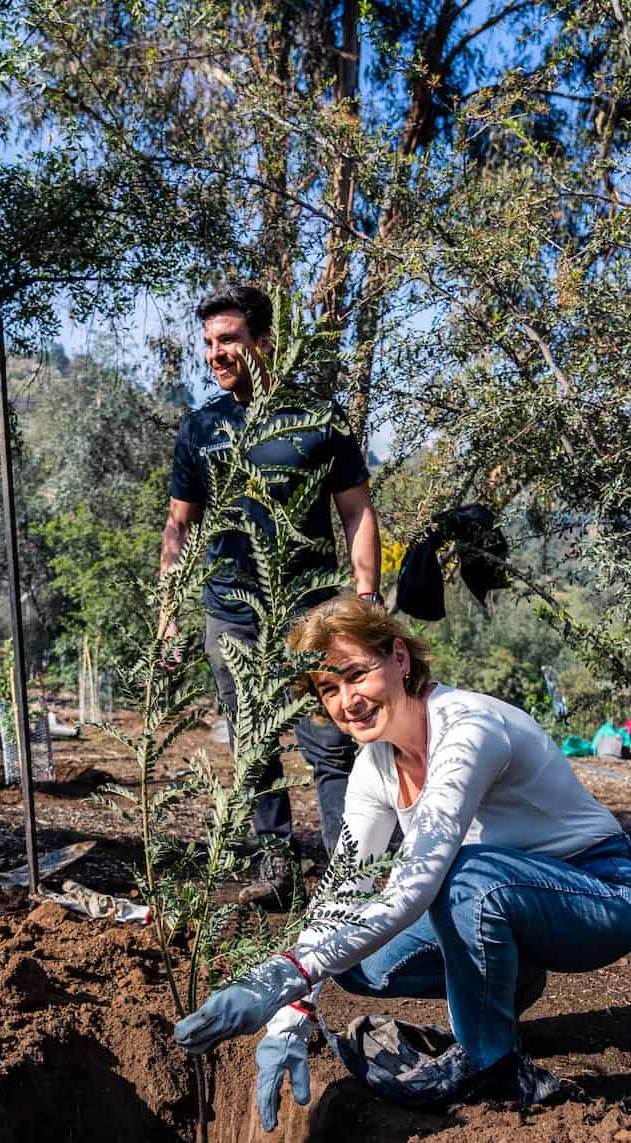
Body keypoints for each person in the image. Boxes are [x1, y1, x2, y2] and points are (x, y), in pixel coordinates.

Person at [174, 596, 631, 1128]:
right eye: (328, 689)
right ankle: (510, 982)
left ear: (399, 658)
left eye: (356, 674)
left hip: (598, 894)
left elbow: (417, 882)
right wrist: (290, 1016)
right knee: (352, 958)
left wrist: (286, 973)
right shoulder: (374, 766)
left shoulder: (468, 729)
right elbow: (340, 896)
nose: (347, 701)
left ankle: (493, 1064)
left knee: (464, 878)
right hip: (505, 902)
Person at [162, 284, 383, 906]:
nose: (215, 353)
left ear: (263, 342)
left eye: (228, 339)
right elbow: (178, 526)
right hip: (230, 613)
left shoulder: (318, 419)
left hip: (309, 615)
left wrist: (367, 597)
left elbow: (357, 511)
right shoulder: (202, 428)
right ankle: (277, 872)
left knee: (330, 743)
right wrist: (167, 616)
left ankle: (348, 881)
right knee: (252, 745)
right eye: (209, 342)